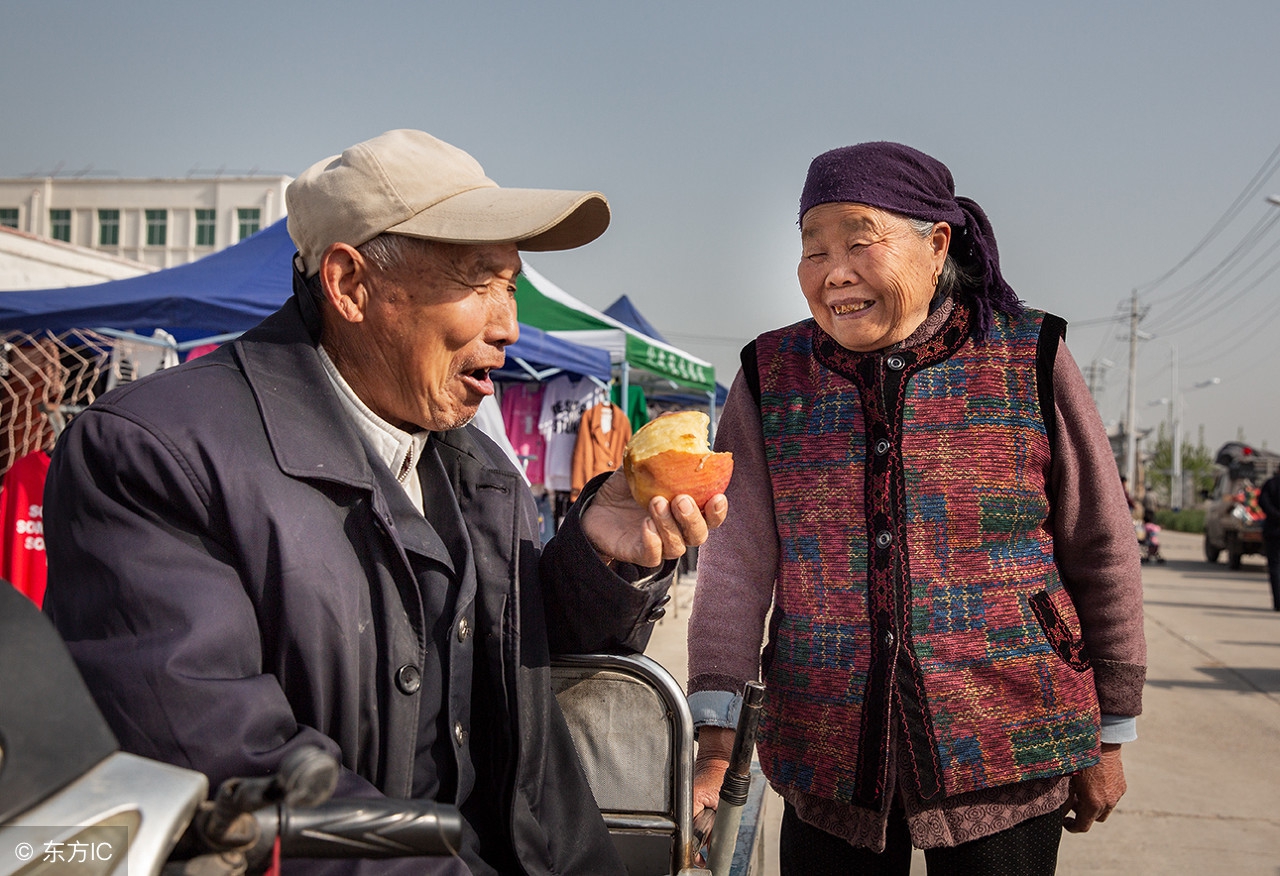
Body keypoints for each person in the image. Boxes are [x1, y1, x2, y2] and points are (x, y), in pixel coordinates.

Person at [43, 129, 727, 876]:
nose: (509, 325)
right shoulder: (156, 453)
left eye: (512, 285)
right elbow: (229, 763)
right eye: (478, 282)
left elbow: (501, 656)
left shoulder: (474, 465)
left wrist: (597, 559)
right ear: (350, 285)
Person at [686, 142, 1145, 874]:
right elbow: (735, 566)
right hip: (827, 749)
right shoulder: (770, 377)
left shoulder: (1028, 355)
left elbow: (1100, 543)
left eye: (859, 242)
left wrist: (1109, 731)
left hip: (1008, 741)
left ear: (936, 246)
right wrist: (717, 739)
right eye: (813, 248)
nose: (834, 272)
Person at [1258, 471, 1280, 611]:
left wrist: (1276, 516)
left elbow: (1263, 503)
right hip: (1273, 531)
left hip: (1273, 531)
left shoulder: (1271, 484)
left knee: (1275, 567)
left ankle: (1278, 602)